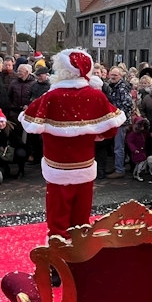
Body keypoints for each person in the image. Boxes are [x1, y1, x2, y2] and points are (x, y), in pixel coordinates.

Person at [18, 49, 124, 239]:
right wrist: (90, 133)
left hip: (57, 167)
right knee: (81, 221)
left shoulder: (51, 97)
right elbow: (110, 130)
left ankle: (58, 262)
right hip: (84, 166)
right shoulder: (96, 96)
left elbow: (30, 123)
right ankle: (79, 261)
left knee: (58, 221)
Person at [103, 66, 135, 179]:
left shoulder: (122, 88)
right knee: (116, 147)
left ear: (120, 76)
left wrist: (117, 115)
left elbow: (128, 104)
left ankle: (119, 169)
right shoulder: (113, 87)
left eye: (115, 75)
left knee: (118, 147)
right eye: (111, 75)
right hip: (115, 121)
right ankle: (118, 166)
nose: (112, 77)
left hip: (121, 122)